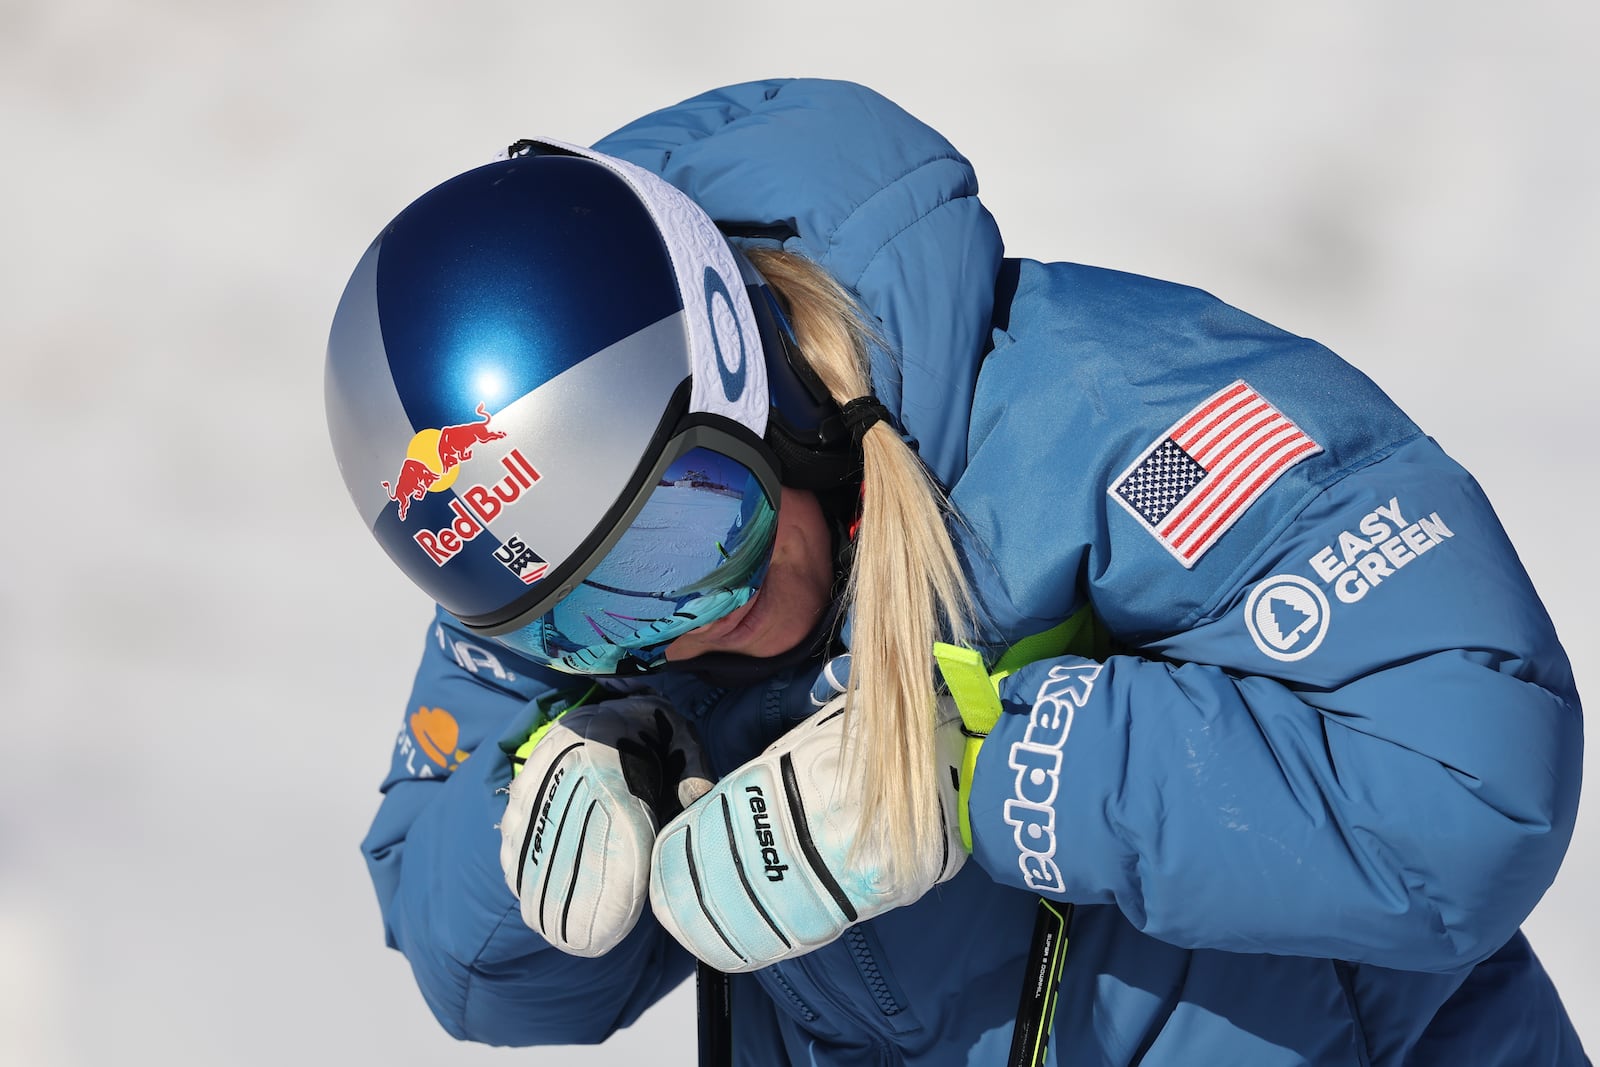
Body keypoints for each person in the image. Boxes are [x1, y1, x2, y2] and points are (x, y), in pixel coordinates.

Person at [325, 79, 1589, 1065]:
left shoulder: (1108, 423)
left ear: (756, 383)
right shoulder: (558, 544)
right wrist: (554, 821)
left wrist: (978, 771)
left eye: (693, 530)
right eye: (589, 623)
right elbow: (473, 971)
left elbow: (1465, 794)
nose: (687, 625)